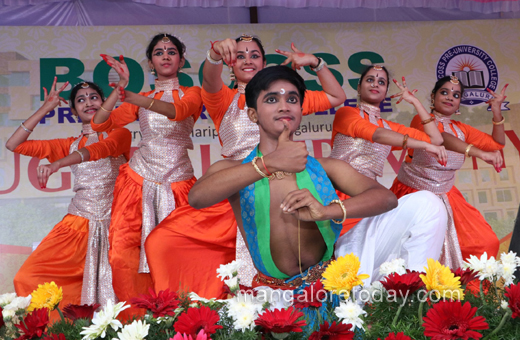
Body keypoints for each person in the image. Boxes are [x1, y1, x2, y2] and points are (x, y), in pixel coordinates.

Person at [189, 66, 444, 307]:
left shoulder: (326, 167)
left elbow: (386, 199)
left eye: (292, 99)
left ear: (301, 110)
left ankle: (412, 306)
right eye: (271, 100)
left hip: (335, 278)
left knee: (427, 204)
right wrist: (268, 164)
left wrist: (326, 211)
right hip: (272, 294)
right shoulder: (232, 170)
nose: (283, 106)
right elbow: (197, 198)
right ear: (253, 114)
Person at [145, 34, 347, 296]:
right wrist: (214, 54)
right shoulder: (222, 99)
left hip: (284, 184)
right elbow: (209, 79)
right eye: (240, 55)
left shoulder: (284, 100)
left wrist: (315, 62)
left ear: (263, 62)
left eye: (254, 55)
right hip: (236, 188)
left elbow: (336, 95)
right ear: (231, 63)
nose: (247, 60)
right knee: (163, 241)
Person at [91, 33, 203, 311]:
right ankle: (137, 318)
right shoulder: (138, 98)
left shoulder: (192, 93)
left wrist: (136, 98)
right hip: (138, 181)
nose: (165, 55)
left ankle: (180, 314)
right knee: (123, 253)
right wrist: (119, 93)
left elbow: (177, 112)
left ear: (182, 60)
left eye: (171, 51)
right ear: (151, 62)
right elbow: (98, 124)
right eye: (159, 52)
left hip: (179, 183)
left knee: (180, 252)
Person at [7, 79, 131, 311]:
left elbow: (97, 150)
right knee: (28, 277)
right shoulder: (68, 145)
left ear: (104, 103)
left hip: (119, 224)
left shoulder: (120, 134)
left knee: (126, 289)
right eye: (80, 100)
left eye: (94, 97)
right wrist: (47, 107)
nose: (88, 103)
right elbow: (14, 144)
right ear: (73, 111)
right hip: (78, 224)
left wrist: (57, 164)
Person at [390, 75, 507, 267]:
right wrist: (478, 153)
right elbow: (440, 137)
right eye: (444, 92)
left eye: (456, 95)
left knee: (485, 243)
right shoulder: (420, 120)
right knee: (416, 252)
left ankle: (465, 295)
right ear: (433, 96)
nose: (449, 97)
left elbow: (497, 143)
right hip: (414, 193)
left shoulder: (462, 129)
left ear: (459, 103)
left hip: (447, 195)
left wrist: (496, 111)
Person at [329, 65, 448, 236]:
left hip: (368, 197)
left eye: (381, 82)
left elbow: (436, 139)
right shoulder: (346, 114)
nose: (375, 84)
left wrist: (415, 102)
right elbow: (375, 134)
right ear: (359, 87)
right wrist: (425, 146)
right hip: (336, 190)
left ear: (385, 92)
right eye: (370, 80)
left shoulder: (389, 127)